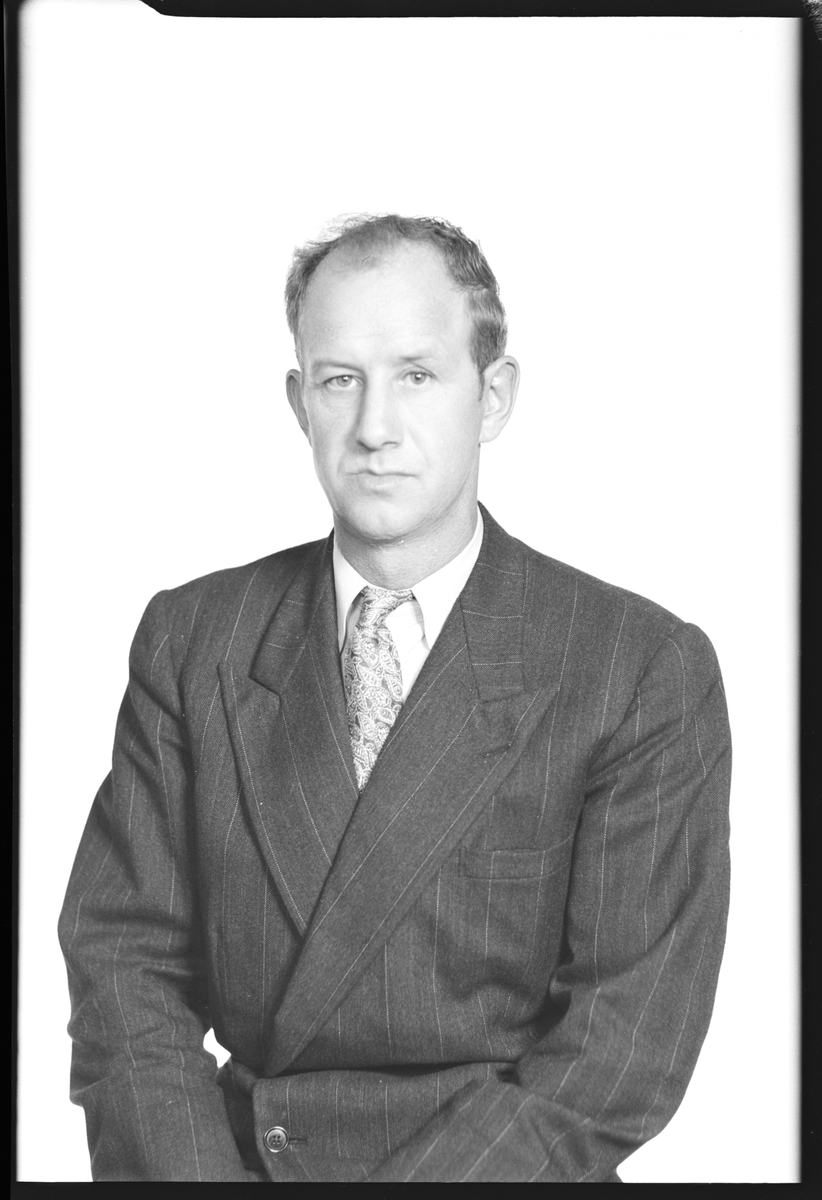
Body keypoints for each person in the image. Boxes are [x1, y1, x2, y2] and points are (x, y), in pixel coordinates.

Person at [59, 214, 732, 1183]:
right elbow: (125, 969)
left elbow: (620, 1049)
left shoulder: (636, 667)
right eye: (340, 380)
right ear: (300, 403)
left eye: (417, 375)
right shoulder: (195, 638)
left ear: (492, 395)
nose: (375, 428)